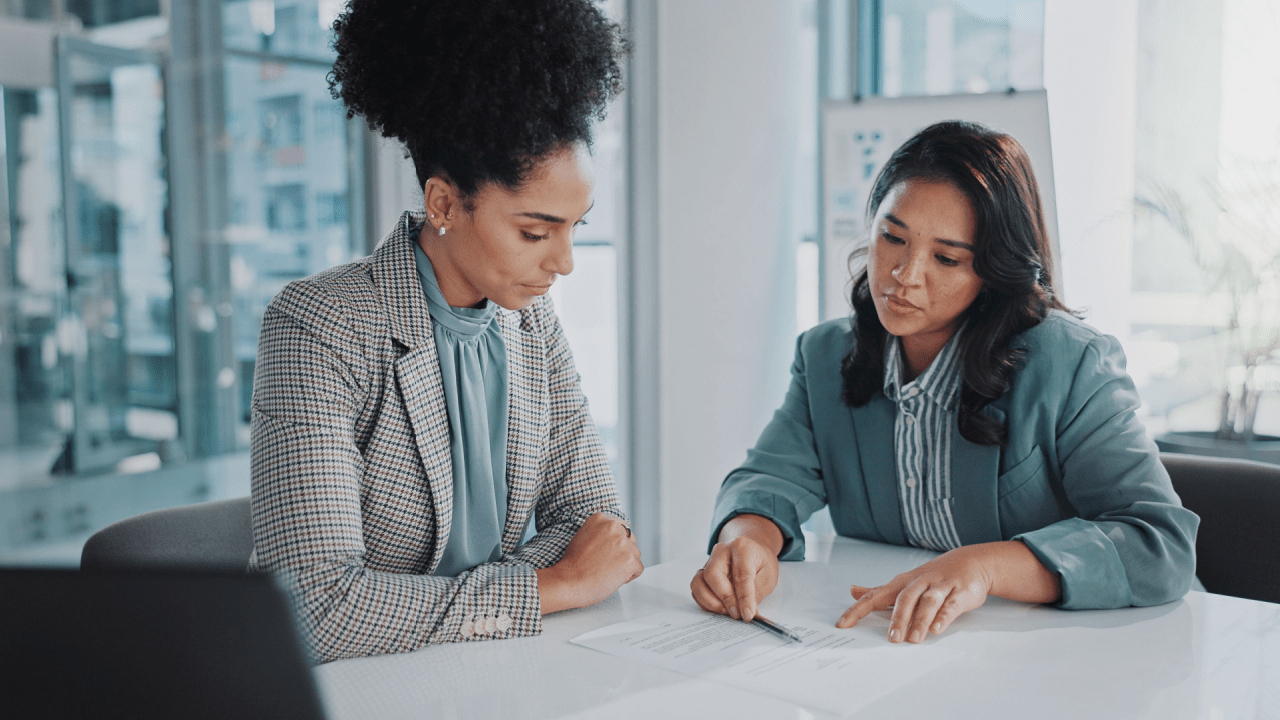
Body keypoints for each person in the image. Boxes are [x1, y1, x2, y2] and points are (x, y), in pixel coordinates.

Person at [691, 121, 1198, 645]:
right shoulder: (825, 355)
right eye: (892, 237)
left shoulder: (1072, 363)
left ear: (993, 271)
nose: (904, 275)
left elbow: (1160, 544)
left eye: (947, 258)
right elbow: (769, 480)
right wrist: (746, 537)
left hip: (1090, 651)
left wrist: (985, 567)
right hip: (897, 650)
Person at [248, 0, 641, 663]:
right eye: (534, 231)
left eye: (577, 228)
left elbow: (597, 528)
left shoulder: (530, 321)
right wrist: (552, 585)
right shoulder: (318, 328)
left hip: (485, 673)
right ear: (443, 203)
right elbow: (313, 609)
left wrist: (413, 603)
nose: (564, 262)